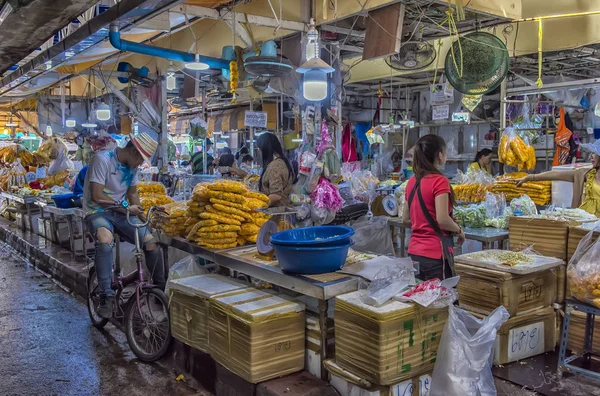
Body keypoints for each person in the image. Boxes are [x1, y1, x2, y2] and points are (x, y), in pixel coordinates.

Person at [84, 133, 165, 318]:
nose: (139, 164)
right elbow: (97, 196)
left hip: (122, 212)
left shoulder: (132, 168)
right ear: (133, 151)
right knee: (105, 240)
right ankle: (106, 295)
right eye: (140, 159)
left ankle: (159, 289)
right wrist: (127, 207)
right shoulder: (102, 159)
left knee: (151, 241)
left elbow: (133, 194)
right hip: (97, 212)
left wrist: (145, 218)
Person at [402, 134, 465, 280]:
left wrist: (426, 221)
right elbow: (442, 219)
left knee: (419, 299)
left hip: (414, 254)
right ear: (440, 155)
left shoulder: (412, 181)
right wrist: (458, 230)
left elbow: (405, 219)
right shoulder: (439, 181)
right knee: (440, 299)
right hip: (435, 255)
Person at [515, 139, 600, 216]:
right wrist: (529, 177)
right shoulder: (586, 174)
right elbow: (556, 175)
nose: (591, 156)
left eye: (595, 153)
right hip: (587, 221)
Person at [257, 133, 295, 207]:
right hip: (283, 207)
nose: (259, 152)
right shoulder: (284, 161)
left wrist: (260, 207)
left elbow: (276, 196)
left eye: (259, 149)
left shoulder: (274, 166)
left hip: (275, 212)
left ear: (265, 149)